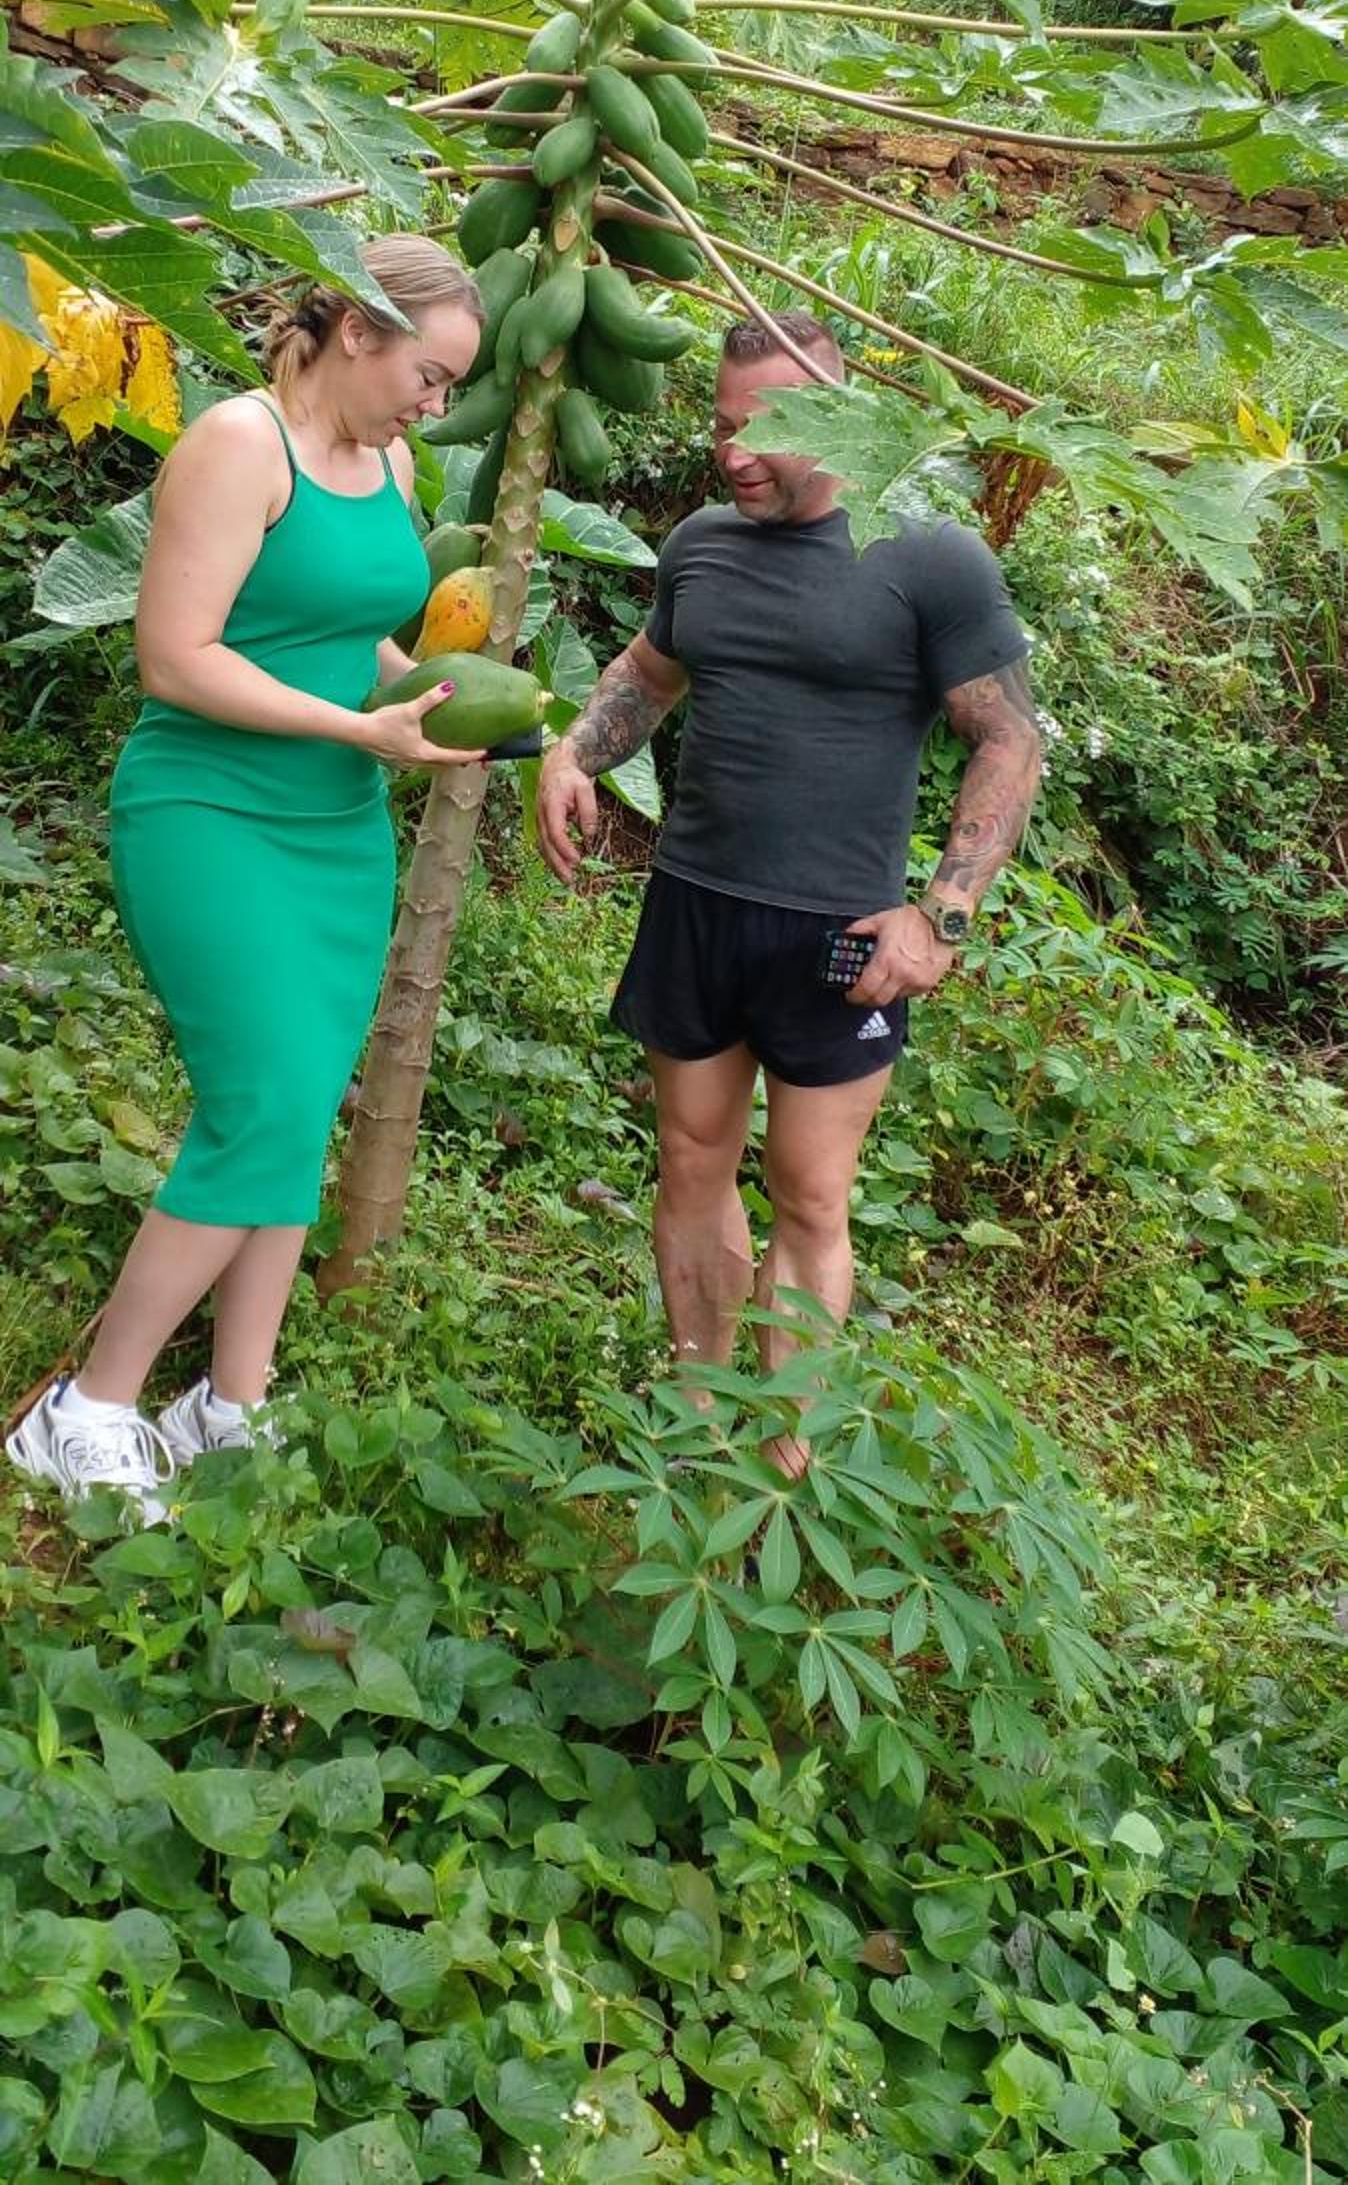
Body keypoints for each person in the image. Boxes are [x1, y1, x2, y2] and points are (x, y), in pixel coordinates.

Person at [8, 234, 485, 1520]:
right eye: (429, 376)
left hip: (338, 830)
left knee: (300, 1105)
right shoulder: (238, 443)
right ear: (356, 331)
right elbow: (178, 656)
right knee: (261, 1102)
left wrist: (430, 697)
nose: (434, 406)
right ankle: (85, 1409)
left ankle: (230, 1403)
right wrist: (361, 731)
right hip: (211, 814)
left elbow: (349, 629)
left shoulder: (386, 460)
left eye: (450, 388)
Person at [537, 312, 1042, 1471]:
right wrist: (575, 754)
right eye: (720, 426)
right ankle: (696, 1420)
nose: (732, 454)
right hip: (695, 904)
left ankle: (784, 1458)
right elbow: (648, 673)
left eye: (761, 429)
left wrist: (941, 916)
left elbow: (1008, 739)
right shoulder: (701, 545)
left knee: (811, 1197)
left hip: (840, 933)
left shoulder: (928, 557)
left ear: (838, 411)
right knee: (689, 1160)